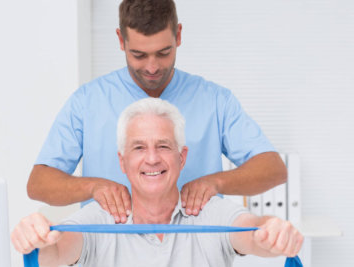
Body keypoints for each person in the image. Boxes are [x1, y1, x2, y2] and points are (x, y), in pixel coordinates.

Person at [27, 0, 287, 224]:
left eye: (164, 53)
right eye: (138, 55)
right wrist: (93, 187)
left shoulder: (215, 100)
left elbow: (273, 169)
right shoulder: (87, 101)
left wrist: (215, 183)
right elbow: (39, 183)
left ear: (179, 36)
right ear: (120, 40)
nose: (152, 67)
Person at [12, 98, 303, 267]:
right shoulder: (98, 218)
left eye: (163, 146)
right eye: (139, 148)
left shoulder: (210, 213)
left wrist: (274, 232)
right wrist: (36, 238)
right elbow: (56, 251)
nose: (152, 158)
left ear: (182, 157)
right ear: (122, 161)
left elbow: (253, 233)